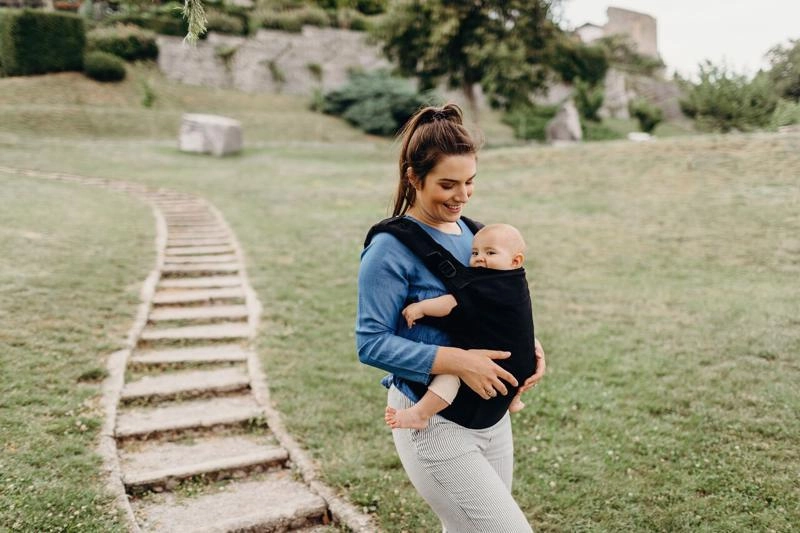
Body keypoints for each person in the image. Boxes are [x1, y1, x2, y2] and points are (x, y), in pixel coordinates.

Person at [356, 103, 546, 532]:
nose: (462, 195)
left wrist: (529, 346)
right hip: (434, 418)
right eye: (447, 184)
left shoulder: (478, 236)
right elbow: (370, 343)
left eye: (469, 182)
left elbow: (498, 306)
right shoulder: (388, 249)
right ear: (413, 177)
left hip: (492, 414)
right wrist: (459, 362)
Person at [384, 222, 535, 430]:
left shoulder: (485, 283)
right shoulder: (516, 282)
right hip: (523, 361)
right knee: (512, 376)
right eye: (474, 253)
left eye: (490, 253)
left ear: (515, 260)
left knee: (451, 374)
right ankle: (514, 400)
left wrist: (421, 308)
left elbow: (451, 303)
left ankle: (421, 413)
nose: (479, 258)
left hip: (499, 364)